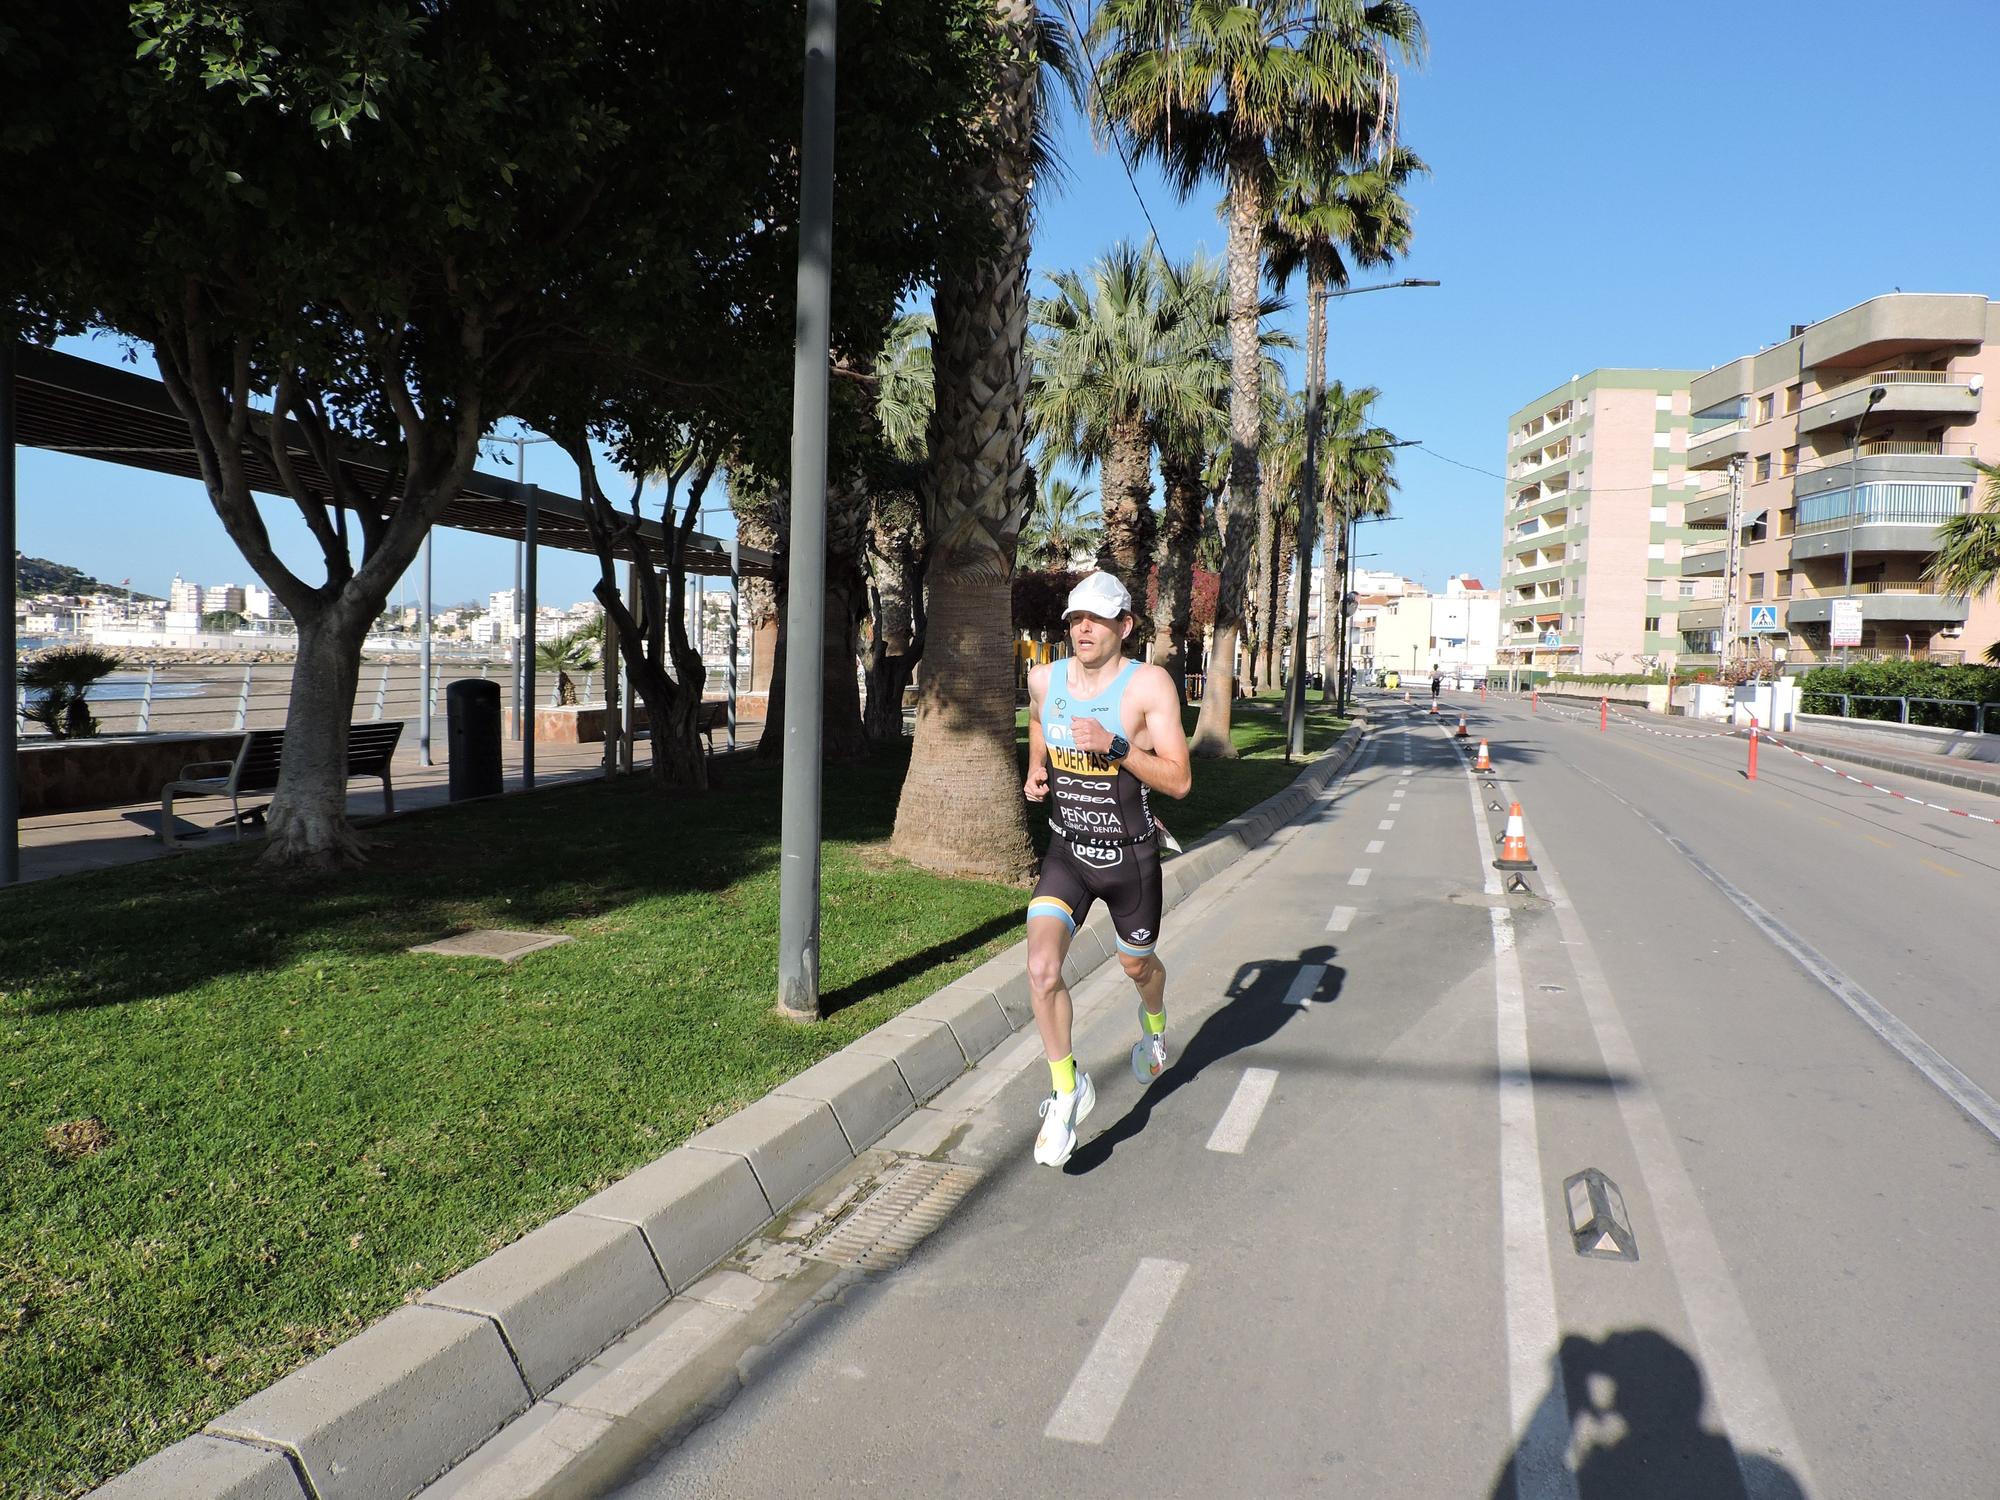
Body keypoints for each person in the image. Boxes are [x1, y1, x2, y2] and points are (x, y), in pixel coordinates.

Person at [1022, 572, 1193, 1167]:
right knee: (1042, 968)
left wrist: (1116, 748)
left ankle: (1153, 1022)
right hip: (1067, 852)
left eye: (1096, 619)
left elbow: (1180, 779)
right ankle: (1068, 1090)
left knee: (1135, 965)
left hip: (1132, 858)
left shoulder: (1148, 686)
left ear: (1125, 626)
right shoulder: (1045, 677)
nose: (1083, 628)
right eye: (1074, 619)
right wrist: (1036, 766)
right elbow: (1041, 716)